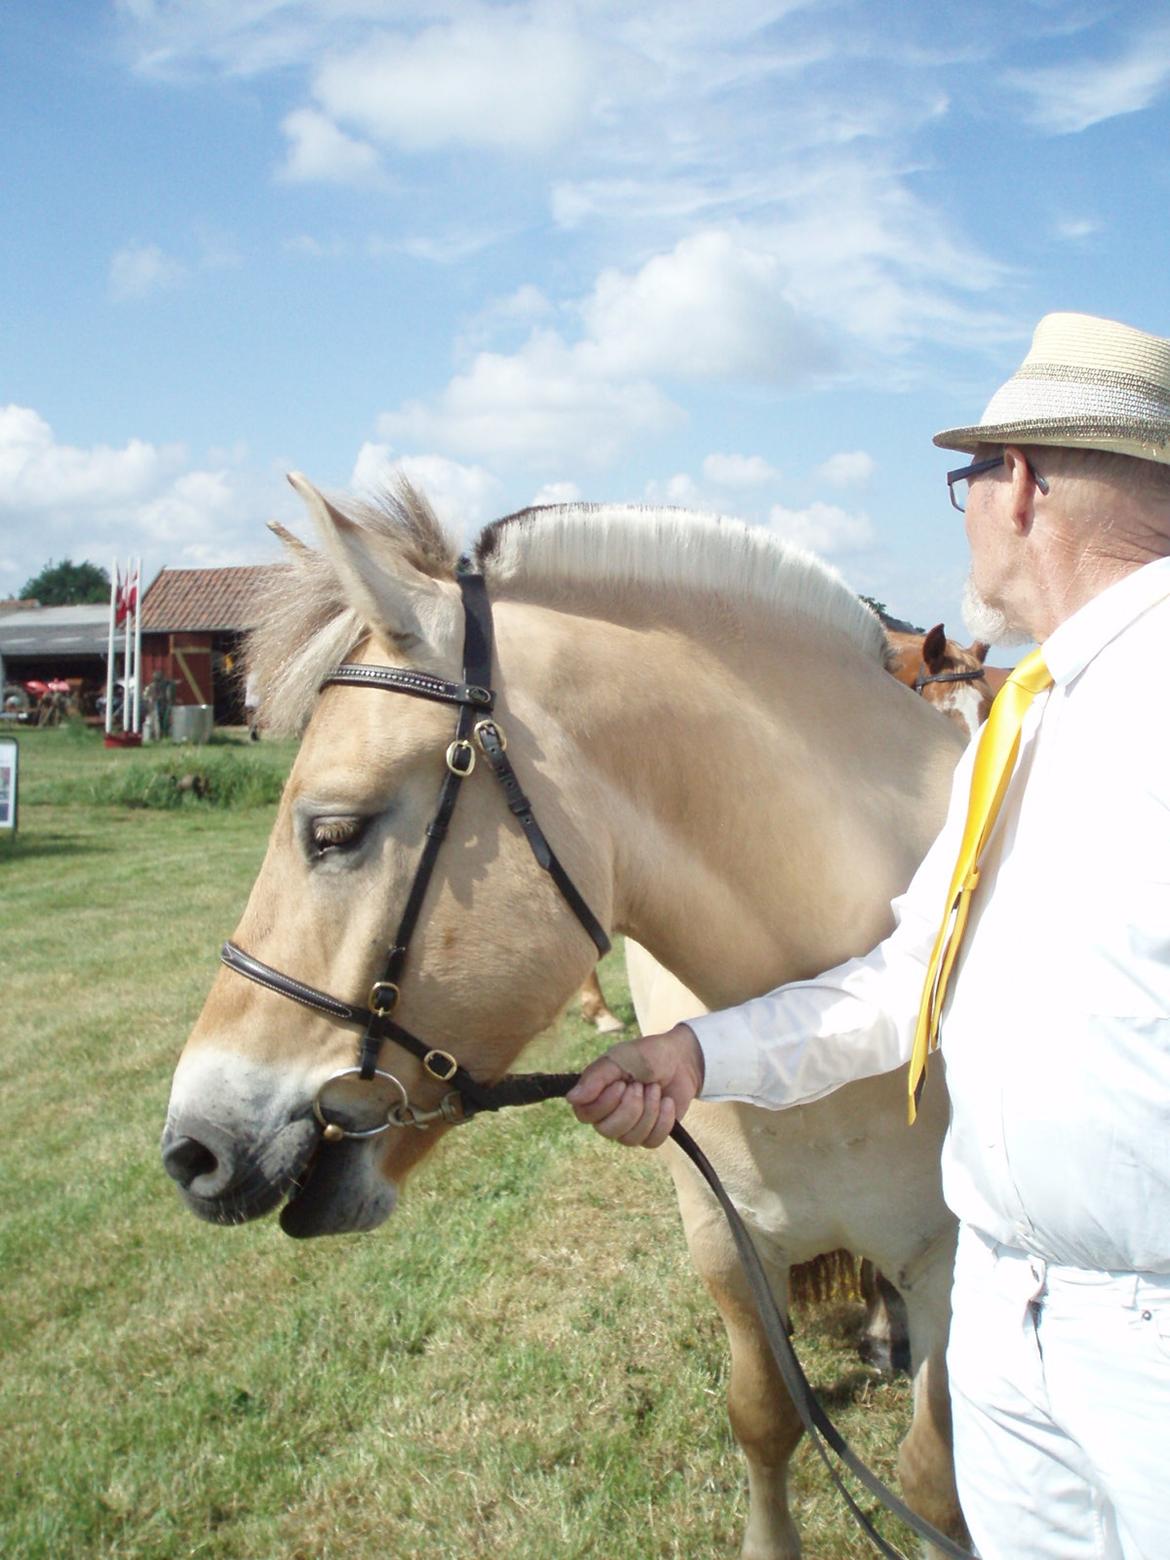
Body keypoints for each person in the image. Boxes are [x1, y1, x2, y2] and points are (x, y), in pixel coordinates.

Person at [568, 312, 1170, 1560]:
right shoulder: (1021, 728)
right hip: (1001, 1315)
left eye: (965, 482)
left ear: (1017, 485)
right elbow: (908, 984)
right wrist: (699, 1056)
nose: (964, 516)